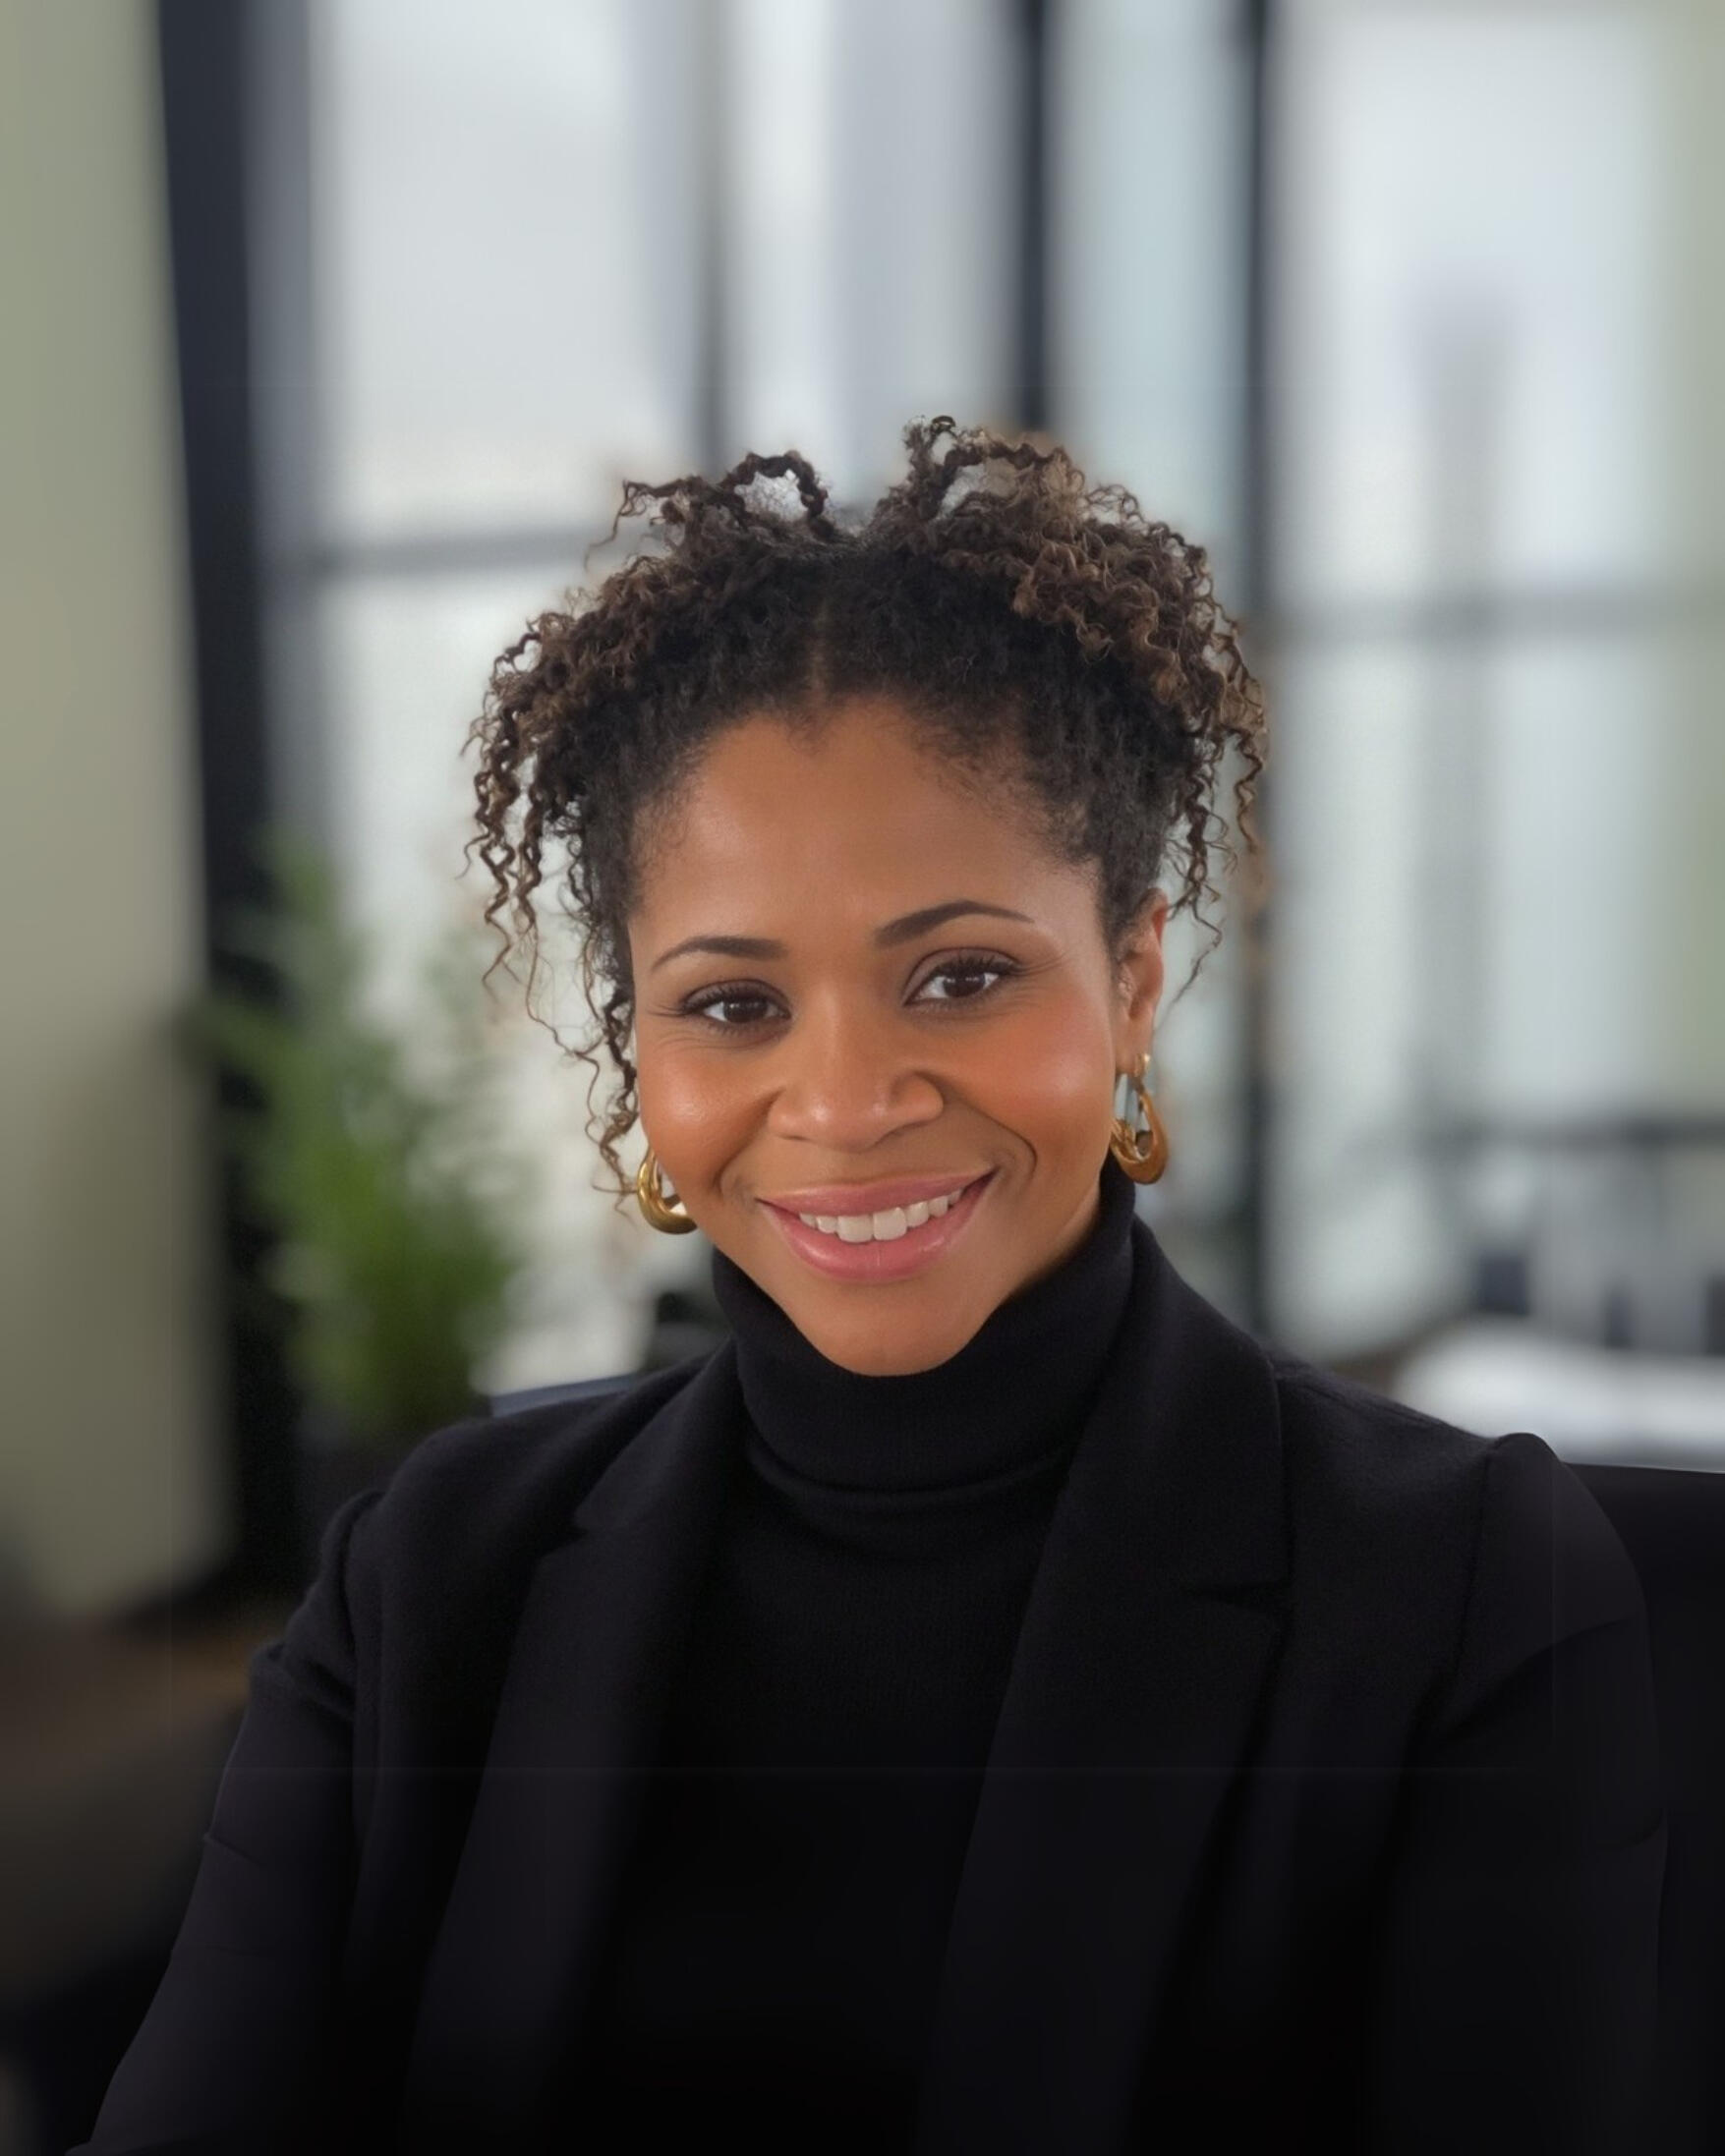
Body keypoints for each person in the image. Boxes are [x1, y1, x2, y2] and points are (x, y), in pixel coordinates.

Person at [77, 418, 1664, 2154]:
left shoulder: (1458, 1592)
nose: (843, 1104)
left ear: (1135, 978)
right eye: (733, 1004)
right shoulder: (431, 1575)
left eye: (961, 975)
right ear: (638, 1038)